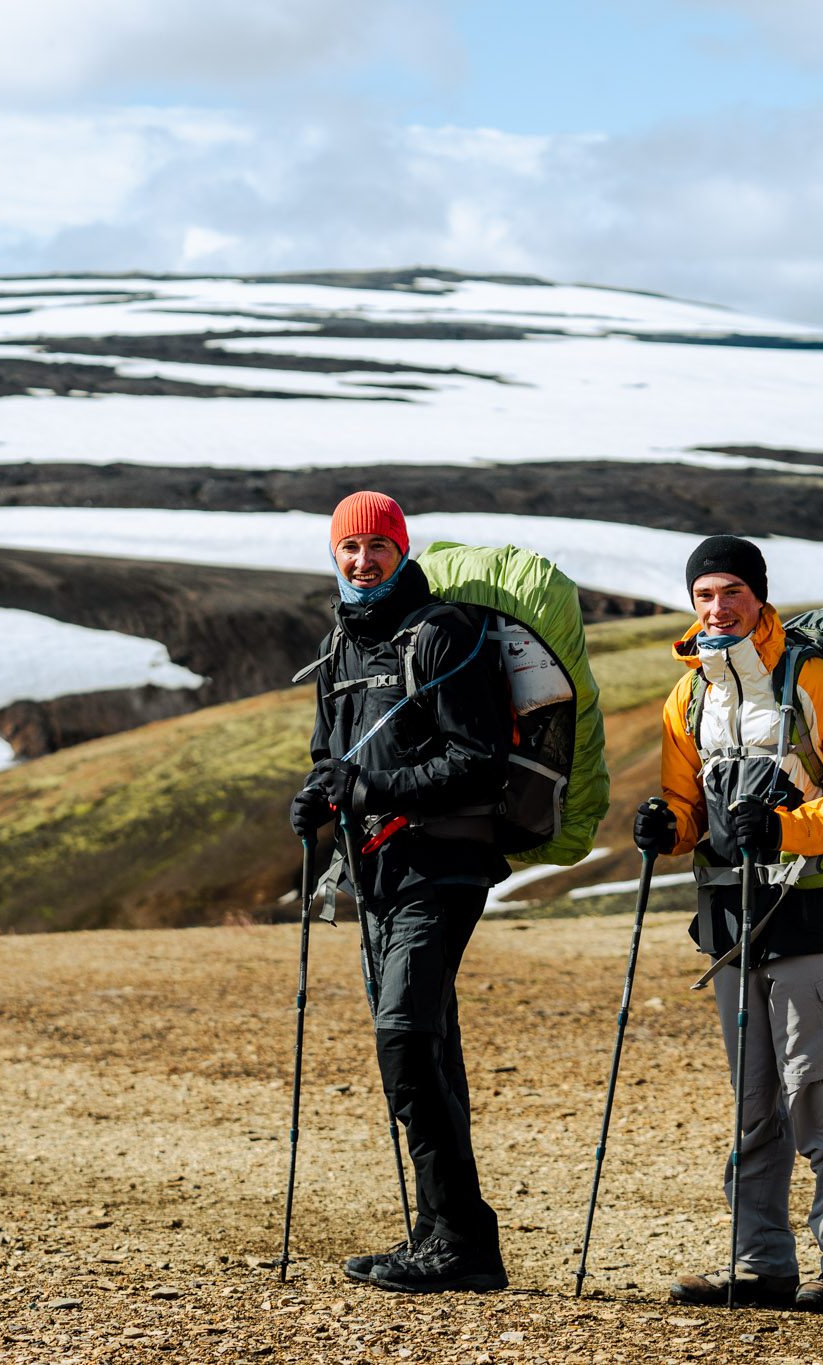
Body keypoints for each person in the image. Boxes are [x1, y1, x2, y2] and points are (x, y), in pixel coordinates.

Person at [631, 534, 823, 1315]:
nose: (718, 608)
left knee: (814, 1091)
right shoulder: (686, 698)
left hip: (809, 910)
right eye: (705, 594)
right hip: (727, 919)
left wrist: (786, 829)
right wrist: (664, 827)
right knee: (753, 1101)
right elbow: (688, 811)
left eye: (732, 592)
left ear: (759, 597)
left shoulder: (814, 680)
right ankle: (760, 1265)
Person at [288, 490, 511, 1294]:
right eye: (349, 549)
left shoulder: (443, 633)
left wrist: (370, 782)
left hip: (442, 867)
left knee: (407, 1036)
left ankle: (456, 1236)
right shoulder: (338, 647)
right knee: (423, 1049)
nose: (362, 561)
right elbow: (330, 759)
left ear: (401, 549)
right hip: (377, 877)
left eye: (377, 547)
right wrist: (317, 798)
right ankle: (452, 1238)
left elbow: (478, 757)